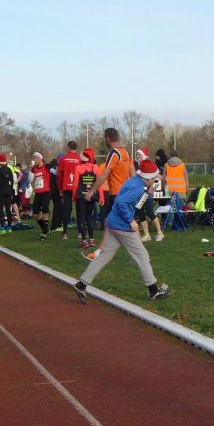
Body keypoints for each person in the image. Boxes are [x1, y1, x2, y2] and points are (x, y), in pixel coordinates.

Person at [73, 160, 171, 303]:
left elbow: (136, 205)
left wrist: (148, 193)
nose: (156, 179)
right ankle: (154, 291)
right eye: (154, 178)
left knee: (104, 256)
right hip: (123, 226)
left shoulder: (135, 181)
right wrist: (130, 220)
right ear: (148, 178)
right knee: (142, 256)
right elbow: (121, 202)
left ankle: (81, 285)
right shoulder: (137, 187)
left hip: (113, 223)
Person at [82, 128, 135, 260]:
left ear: (107, 139)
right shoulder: (126, 153)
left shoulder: (113, 153)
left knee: (116, 224)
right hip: (126, 193)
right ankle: (100, 252)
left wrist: (92, 190)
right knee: (115, 223)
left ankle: (100, 253)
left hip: (117, 194)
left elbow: (104, 174)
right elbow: (133, 173)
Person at [72, 148, 104, 248]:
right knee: (89, 217)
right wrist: (101, 197)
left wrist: (74, 196)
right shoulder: (96, 168)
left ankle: (84, 241)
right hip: (92, 196)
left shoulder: (78, 168)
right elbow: (100, 184)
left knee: (81, 217)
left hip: (81, 196)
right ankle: (91, 240)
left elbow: (75, 184)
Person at [134, 148, 165, 242]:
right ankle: (147, 235)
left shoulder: (149, 165)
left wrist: (152, 188)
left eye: (139, 154)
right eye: (137, 154)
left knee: (151, 213)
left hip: (146, 194)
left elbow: (160, 178)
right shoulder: (139, 165)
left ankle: (160, 233)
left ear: (144, 155)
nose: (137, 156)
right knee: (140, 213)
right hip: (139, 195)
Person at [58, 142, 82, 240]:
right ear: (76, 148)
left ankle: (64, 233)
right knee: (79, 209)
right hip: (78, 188)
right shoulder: (80, 159)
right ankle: (80, 233)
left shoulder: (63, 159)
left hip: (67, 187)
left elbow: (60, 175)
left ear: (68, 148)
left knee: (67, 209)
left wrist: (60, 188)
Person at [30, 152, 53, 241]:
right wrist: (30, 170)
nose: (34, 160)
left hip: (46, 192)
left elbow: (55, 172)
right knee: (36, 214)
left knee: (45, 213)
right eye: (34, 158)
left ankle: (43, 234)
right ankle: (45, 229)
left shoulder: (46, 166)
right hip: (37, 193)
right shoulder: (34, 168)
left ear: (41, 158)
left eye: (36, 158)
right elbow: (30, 179)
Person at [0, 154, 15, 235]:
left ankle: (2, 228)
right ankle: (9, 227)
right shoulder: (9, 169)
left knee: (1, 211)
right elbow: (12, 181)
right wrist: (11, 190)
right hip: (8, 192)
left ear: (0, 161)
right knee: (8, 210)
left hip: (0, 192)